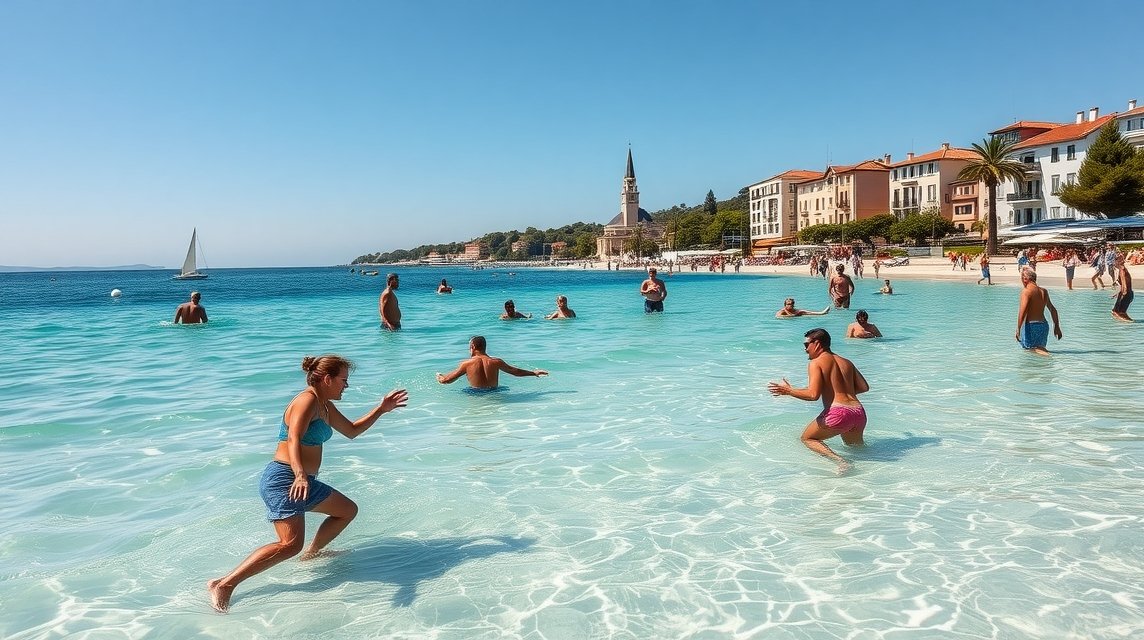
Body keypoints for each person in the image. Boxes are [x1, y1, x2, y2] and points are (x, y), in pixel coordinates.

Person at [208, 355, 408, 612]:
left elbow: (352, 431)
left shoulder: (324, 405)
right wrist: (300, 474)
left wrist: (381, 410)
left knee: (346, 510)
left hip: (303, 480)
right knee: (289, 545)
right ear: (327, 379)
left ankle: (312, 554)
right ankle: (224, 584)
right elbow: (293, 437)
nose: (346, 386)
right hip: (285, 478)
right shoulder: (307, 400)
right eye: (343, 380)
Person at [768, 328, 869, 472]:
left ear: (817, 343)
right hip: (858, 412)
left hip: (839, 413)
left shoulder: (816, 363)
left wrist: (789, 391)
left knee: (808, 439)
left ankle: (841, 462)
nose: (805, 349)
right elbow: (864, 387)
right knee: (858, 450)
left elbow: (813, 395)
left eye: (806, 345)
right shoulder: (846, 362)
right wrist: (841, 392)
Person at [436, 335, 548, 389]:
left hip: (476, 395)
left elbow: (447, 381)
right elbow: (515, 371)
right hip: (495, 393)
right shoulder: (496, 362)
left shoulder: (466, 364)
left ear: (473, 346)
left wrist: (440, 377)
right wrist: (534, 373)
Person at [1016, 267, 1063, 356]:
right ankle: (1045, 360)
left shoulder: (1026, 291)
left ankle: (1048, 357)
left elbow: (1023, 311)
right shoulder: (1043, 291)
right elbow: (1053, 310)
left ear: (1025, 279)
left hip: (1031, 326)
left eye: (1021, 279)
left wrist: (1018, 329)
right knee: (1039, 349)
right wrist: (1057, 327)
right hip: (1043, 326)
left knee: (1032, 350)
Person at [1111, 254, 1133, 322]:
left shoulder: (1122, 269)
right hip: (1129, 293)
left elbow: (1123, 281)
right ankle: (1130, 322)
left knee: (1115, 312)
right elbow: (1126, 281)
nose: (1113, 263)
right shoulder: (1123, 269)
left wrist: (1124, 291)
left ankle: (1128, 324)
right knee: (1122, 313)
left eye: (1114, 261)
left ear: (1117, 262)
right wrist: (1119, 293)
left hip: (1126, 293)